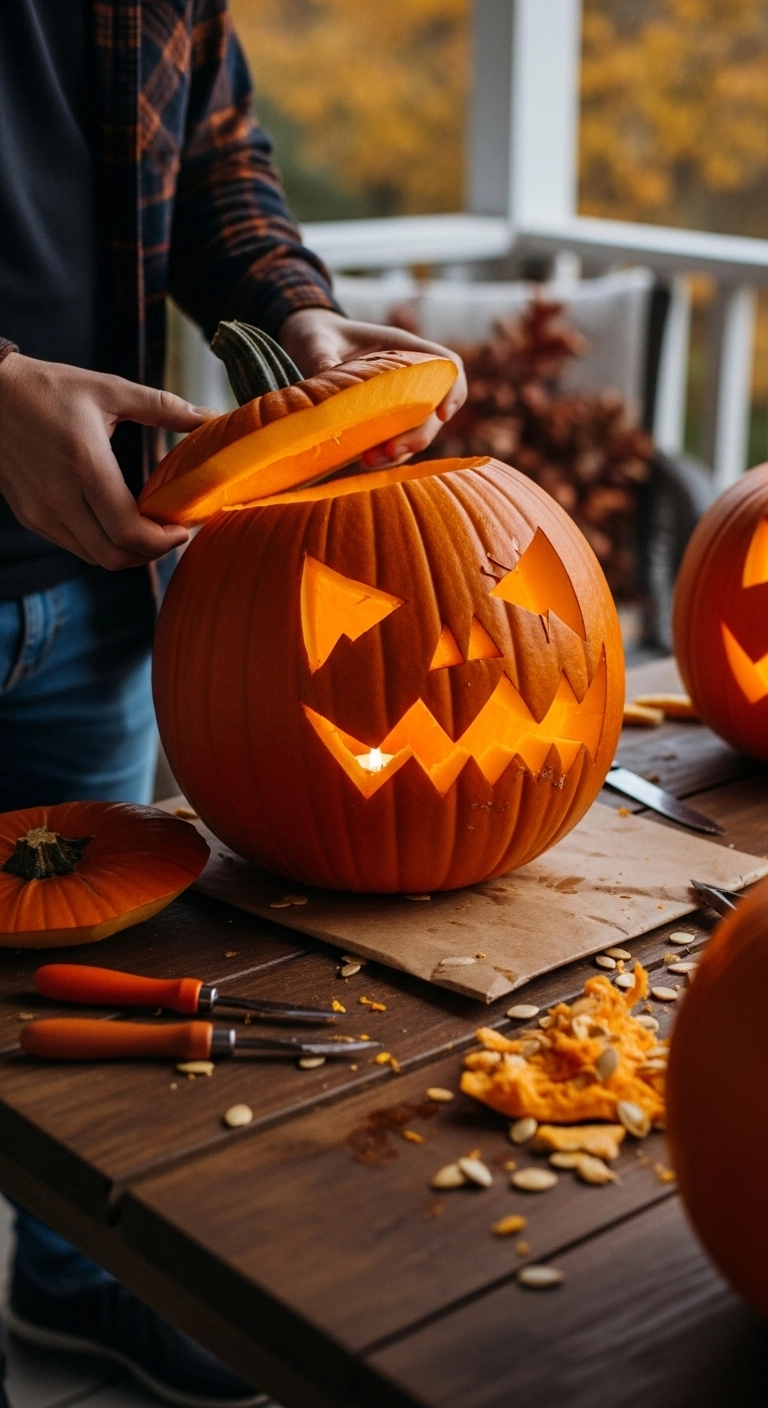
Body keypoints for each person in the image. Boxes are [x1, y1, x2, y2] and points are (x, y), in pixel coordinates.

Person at [0, 3, 466, 1405]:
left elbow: (213, 156)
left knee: (81, 981)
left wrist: (296, 317)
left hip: (95, 574)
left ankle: (71, 1286)